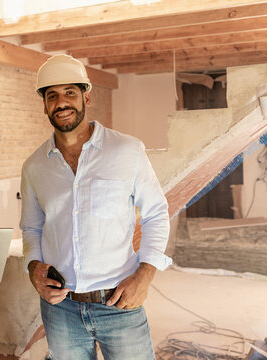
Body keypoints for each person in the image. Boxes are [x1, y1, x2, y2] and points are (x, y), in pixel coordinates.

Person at [20, 54, 171, 360]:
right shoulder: (34, 166)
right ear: (44, 105)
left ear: (86, 96)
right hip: (60, 310)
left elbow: (156, 213)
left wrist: (145, 276)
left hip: (120, 304)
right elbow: (32, 227)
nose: (62, 102)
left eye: (70, 93)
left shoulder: (127, 150)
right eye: (52, 96)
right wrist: (34, 267)